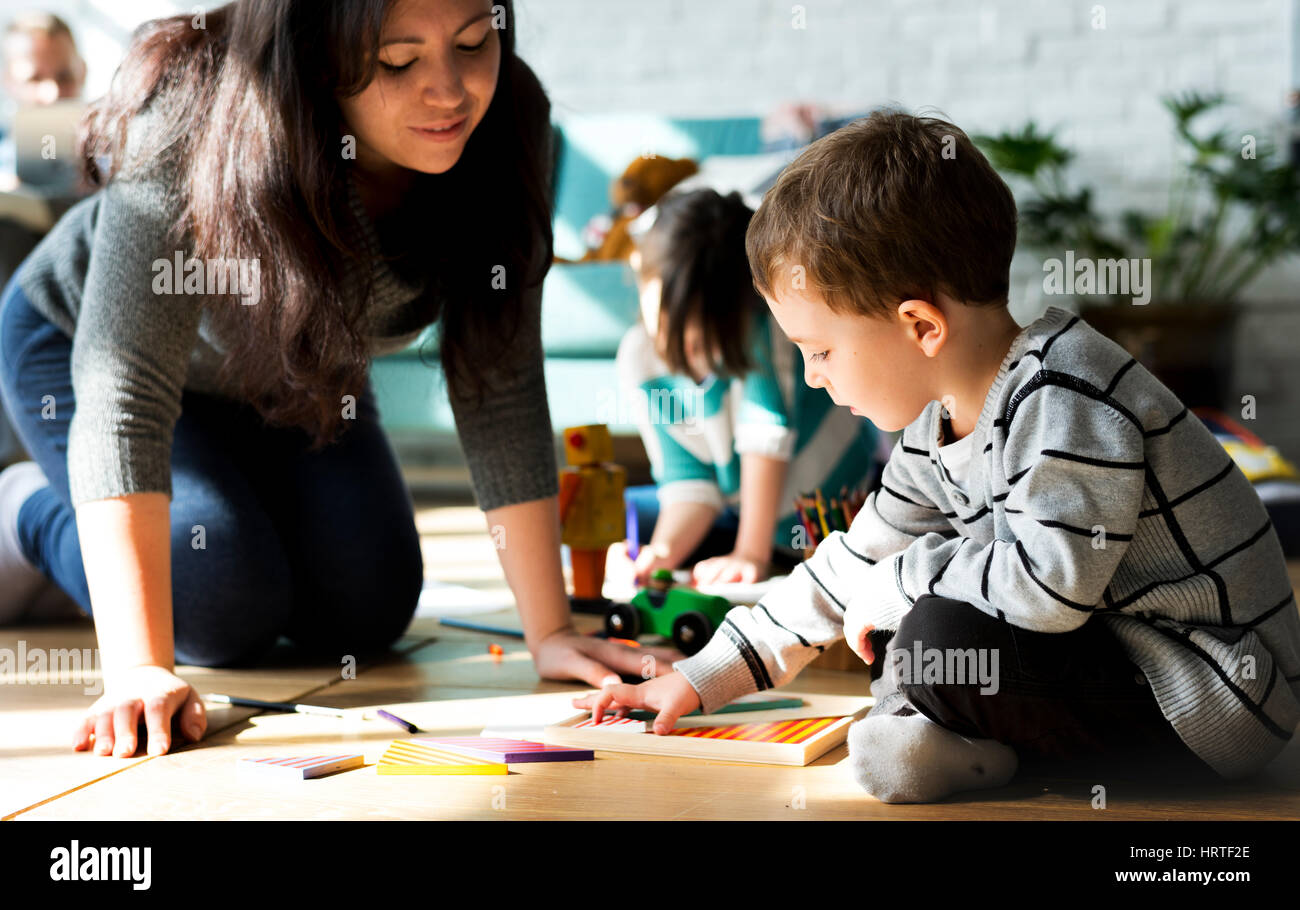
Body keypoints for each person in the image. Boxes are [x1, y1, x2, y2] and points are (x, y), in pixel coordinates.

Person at [0, 0, 675, 760]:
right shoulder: (191, 105)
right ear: (318, 59)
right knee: (222, 602)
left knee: (368, 605)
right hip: (85, 353)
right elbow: (123, 394)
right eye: (398, 60)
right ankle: (29, 511)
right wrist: (139, 669)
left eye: (474, 42)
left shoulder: (512, 117)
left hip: (295, 375)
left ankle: (223, 512)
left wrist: (549, 632)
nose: (450, 90)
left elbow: (501, 378)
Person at [577, 109, 1300, 803]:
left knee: (931, 620)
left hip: (1212, 694)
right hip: (1108, 661)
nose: (810, 377)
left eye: (820, 350)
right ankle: (961, 747)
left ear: (920, 325)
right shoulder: (934, 431)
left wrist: (905, 577)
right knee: (901, 610)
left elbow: (1049, 586)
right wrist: (697, 680)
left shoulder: (1066, 393)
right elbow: (844, 571)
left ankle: (966, 740)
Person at [611, 188, 881, 587]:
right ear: (641, 274)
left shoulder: (768, 331)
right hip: (752, 520)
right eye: (670, 313)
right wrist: (661, 555)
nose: (686, 336)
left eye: (704, 325)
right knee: (634, 532)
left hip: (840, 516)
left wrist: (749, 553)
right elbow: (689, 481)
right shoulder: (638, 357)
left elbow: (765, 437)